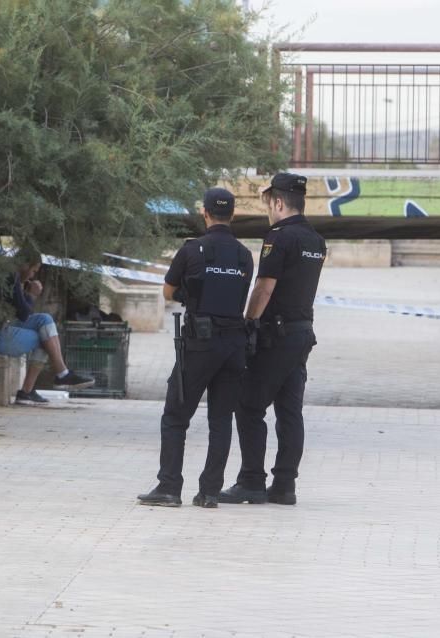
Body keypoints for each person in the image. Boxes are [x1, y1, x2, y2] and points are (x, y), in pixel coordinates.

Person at [137, 188, 254, 508]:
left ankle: (169, 487)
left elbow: (167, 292)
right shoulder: (245, 255)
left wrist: (190, 297)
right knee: (221, 420)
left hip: (200, 344)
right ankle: (210, 492)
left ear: (205, 213)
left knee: (175, 416)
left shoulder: (192, 250)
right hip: (234, 345)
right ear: (232, 214)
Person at [220, 173, 326, 506]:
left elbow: (264, 287)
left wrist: (248, 322)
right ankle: (284, 485)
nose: (268, 210)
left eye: (269, 203)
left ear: (278, 203)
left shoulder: (279, 238)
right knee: (289, 411)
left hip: (275, 337)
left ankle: (251, 480)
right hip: (301, 334)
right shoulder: (315, 240)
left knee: (249, 405)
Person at [0, 248, 95, 406]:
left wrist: (24, 291)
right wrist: (32, 294)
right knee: (43, 337)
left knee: (44, 320)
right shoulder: (10, 276)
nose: (33, 275)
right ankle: (36, 386)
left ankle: (60, 374)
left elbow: (18, 309)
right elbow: (24, 314)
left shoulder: (5, 272)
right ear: (25, 265)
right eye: (33, 270)